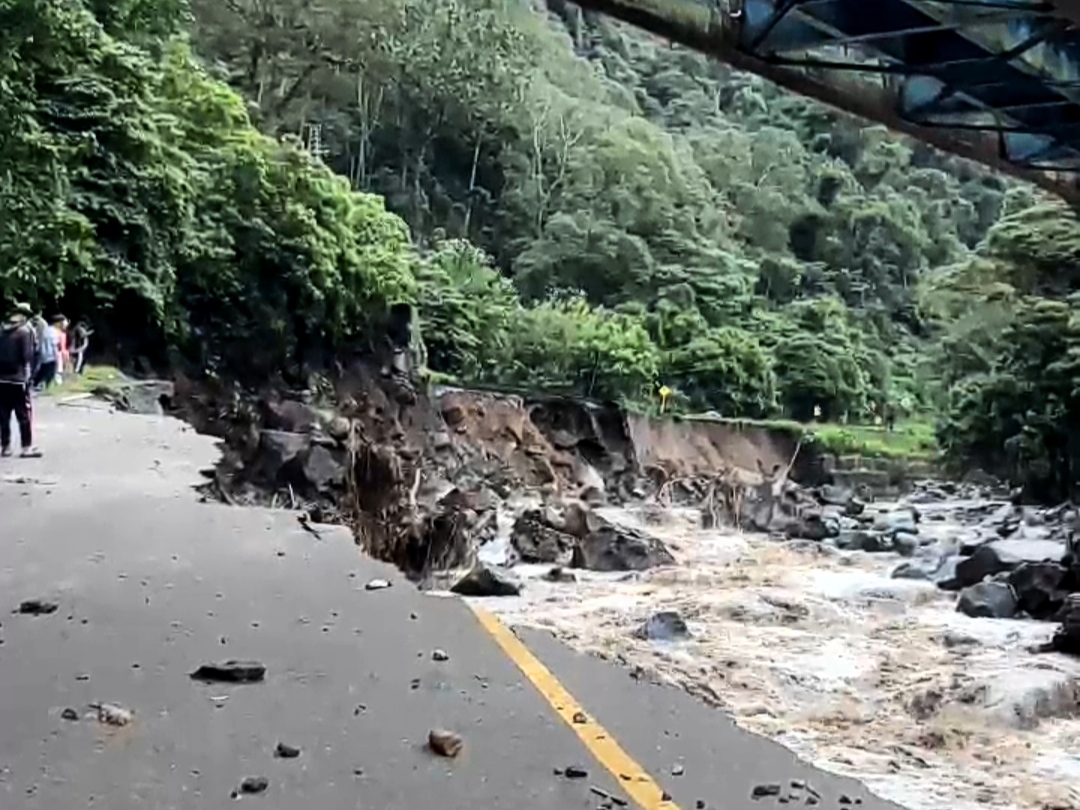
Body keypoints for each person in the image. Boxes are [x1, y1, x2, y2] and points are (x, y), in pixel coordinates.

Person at [0, 303, 41, 458]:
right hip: (18, 378)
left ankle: (5, 446)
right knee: (23, 413)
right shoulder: (24, 331)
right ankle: (26, 447)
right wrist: (29, 374)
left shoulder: (2, 329)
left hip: (1, 378)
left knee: (3, 414)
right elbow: (28, 356)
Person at [32, 314, 64, 390]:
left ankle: (37, 384)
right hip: (50, 355)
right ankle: (42, 386)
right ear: (57, 323)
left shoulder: (46, 330)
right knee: (49, 372)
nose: (62, 324)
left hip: (43, 354)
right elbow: (54, 346)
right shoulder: (53, 332)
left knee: (42, 370)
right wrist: (57, 357)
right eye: (61, 322)